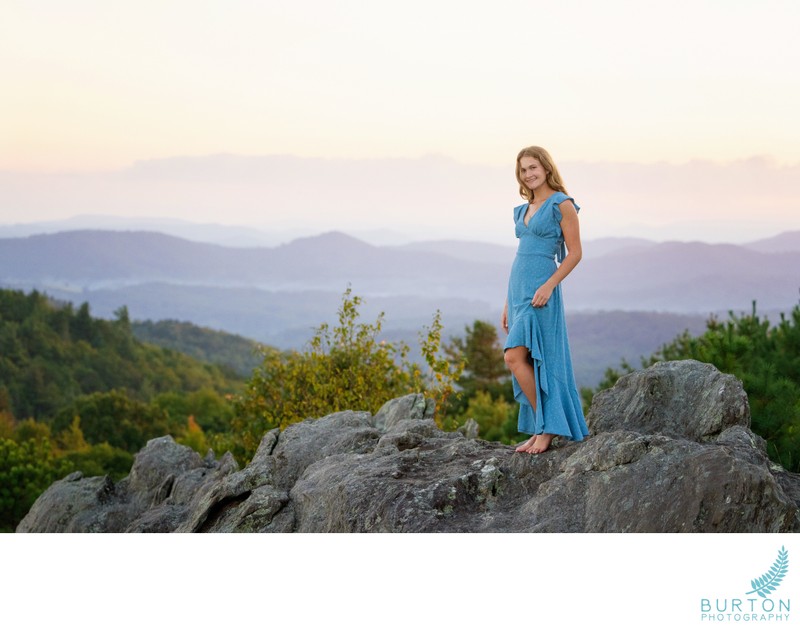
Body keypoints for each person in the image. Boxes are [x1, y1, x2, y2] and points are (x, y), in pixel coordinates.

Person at [501, 146, 589, 454]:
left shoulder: (561, 204)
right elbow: (520, 256)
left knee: (515, 357)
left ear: (546, 168)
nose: (528, 174)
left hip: (541, 290)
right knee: (521, 359)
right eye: (523, 170)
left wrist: (550, 285)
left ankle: (548, 427)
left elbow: (575, 253)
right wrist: (506, 303)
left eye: (533, 167)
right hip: (518, 291)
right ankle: (541, 428)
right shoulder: (525, 207)